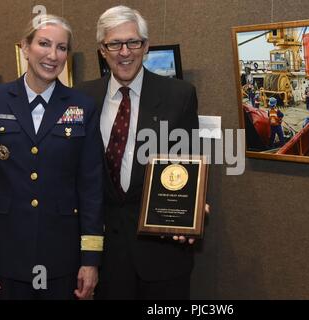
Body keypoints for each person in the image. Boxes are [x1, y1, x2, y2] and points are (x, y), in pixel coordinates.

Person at [0, 14, 104, 300]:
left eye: (62, 48)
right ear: (25, 48)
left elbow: (91, 186)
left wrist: (90, 260)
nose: (53, 55)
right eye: (44, 44)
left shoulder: (82, 107)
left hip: (63, 257)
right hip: (6, 254)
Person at [76, 5, 206, 300]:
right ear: (102, 50)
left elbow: (187, 164)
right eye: (114, 44)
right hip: (105, 256)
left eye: (133, 42)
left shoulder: (179, 96)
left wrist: (194, 207)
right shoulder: (82, 97)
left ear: (145, 46)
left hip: (163, 254)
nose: (125, 52)